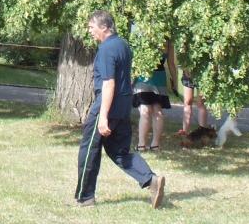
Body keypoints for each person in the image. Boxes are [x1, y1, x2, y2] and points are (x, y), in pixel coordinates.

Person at [75, 11, 165, 209]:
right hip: (124, 104)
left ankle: (85, 197)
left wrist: (103, 117)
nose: (89, 31)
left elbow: (109, 83)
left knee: (89, 149)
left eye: (92, 27)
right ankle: (151, 180)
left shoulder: (107, 49)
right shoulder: (123, 45)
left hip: (108, 104)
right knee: (119, 151)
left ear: (104, 27)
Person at [133, 41, 177, 152]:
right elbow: (171, 64)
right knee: (154, 111)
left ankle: (143, 144)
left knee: (148, 111)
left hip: (145, 77)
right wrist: (174, 82)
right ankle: (152, 144)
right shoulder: (167, 42)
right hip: (155, 78)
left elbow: (134, 60)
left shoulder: (141, 37)